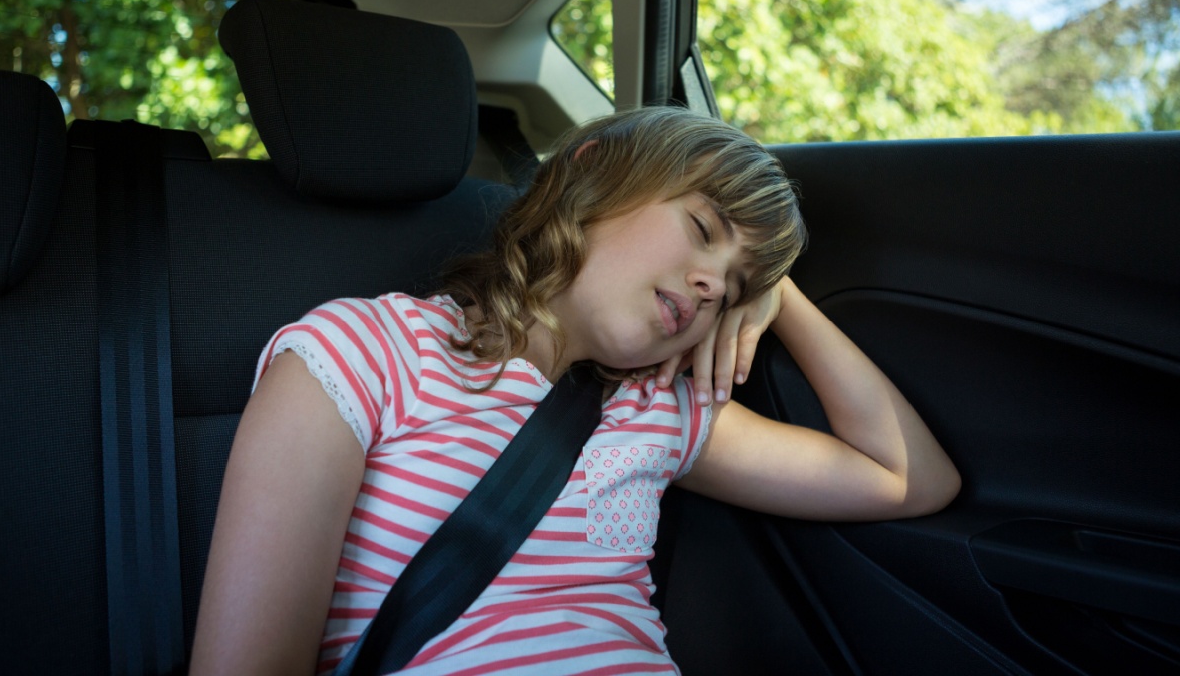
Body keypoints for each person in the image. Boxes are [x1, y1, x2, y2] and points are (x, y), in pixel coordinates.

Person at [190, 107, 961, 675]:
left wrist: (779, 293)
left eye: (731, 290)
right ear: (589, 170)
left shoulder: (659, 409)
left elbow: (905, 477)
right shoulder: (362, 356)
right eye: (702, 228)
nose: (710, 284)